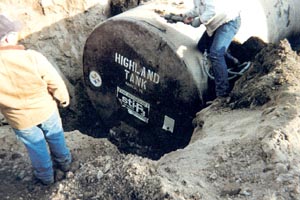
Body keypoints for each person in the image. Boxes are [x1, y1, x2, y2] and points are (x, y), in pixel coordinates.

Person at [0, 14, 72, 185]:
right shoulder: (32, 57)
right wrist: (63, 99)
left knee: (35, 147)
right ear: (9, 37)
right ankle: (65, 163)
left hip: (20, 120)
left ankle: (46, 176)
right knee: (56, 136)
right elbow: (54, 81)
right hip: (46, 110)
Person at [182, 0, 242, 99]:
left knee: (216, 54)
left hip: (228, 21)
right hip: (217, 22)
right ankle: (232, 62)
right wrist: (186, 15)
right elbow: (199, 8)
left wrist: (199, 21)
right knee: (202, 46)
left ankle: (222, 93)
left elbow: (211, 11)